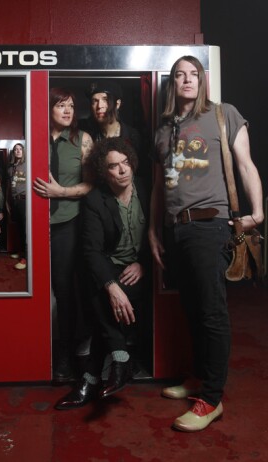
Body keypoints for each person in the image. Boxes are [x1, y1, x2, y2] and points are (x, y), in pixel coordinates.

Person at [149, 55, 264, 432]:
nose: (186, 80)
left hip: (209, 224)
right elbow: (156, 186)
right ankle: (199, 377)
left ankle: (211, 399)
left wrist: (258, 213)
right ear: (172, 84)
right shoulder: (164, 129)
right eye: (179, 75)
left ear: (203, 80)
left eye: (193, 74)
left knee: (212, 312)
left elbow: (245, 164)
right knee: (192, 309)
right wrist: (153, 230)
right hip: (175, 229)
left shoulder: (223, 114)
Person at [55, 137, 149, 409]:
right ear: (102, 171)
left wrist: (144, 263)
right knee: (97, 286)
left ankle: (90, 376)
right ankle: (121, 358)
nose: (123, 170)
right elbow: (91, 251)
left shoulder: (147, 189)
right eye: (114, 166)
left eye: (126, 163)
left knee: (101, 302)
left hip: (140, 270)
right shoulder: (96, 199)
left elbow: (159, 234)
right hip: (111, 267)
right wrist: (111, 285)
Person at [33, 88, 94, 385]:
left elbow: (92, 185)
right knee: (38, 292)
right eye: (61, 105)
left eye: (71, 106)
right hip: (35, 226)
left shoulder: (83, 140)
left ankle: (65, 357)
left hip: (67, 224)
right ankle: (35, 353)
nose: (68, 111)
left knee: (64, 290)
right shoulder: (34, 137)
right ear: (48, 109)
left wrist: (61, 193)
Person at [7, 143, 27, 270]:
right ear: (13, 153)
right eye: (16, 150)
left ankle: (25, 258)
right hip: (15, 201)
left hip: (25, 200)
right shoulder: (10, 168)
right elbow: (10, 186)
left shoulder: (27, 164)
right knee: (19, 228)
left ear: (23, 151)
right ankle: (21, 253)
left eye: (20, 149)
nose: (18, 151)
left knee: (26, 230)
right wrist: (8, 202)